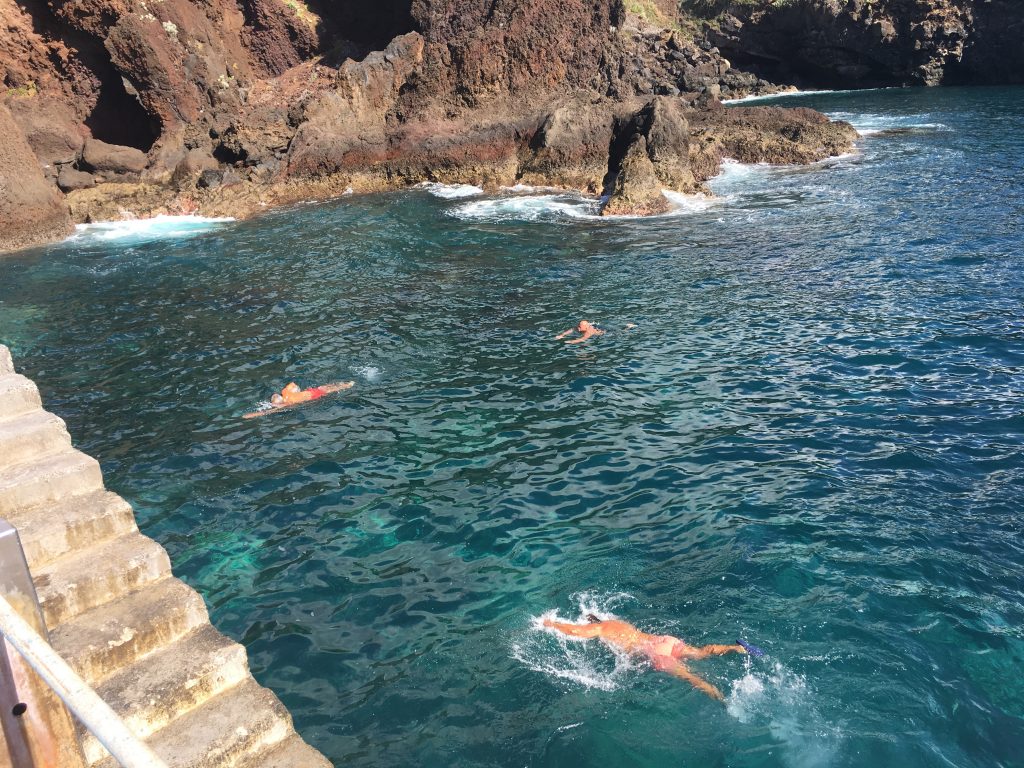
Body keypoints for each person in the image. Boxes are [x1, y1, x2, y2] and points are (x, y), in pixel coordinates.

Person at [542, 614, 752, 701]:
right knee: (701, 652)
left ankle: (721, 698)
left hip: (655, 653)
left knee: (692, 678)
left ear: (593, 623)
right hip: (665, 641)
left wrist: (551, 624)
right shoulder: (617, 623)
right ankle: (736, 648)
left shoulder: (599, 629)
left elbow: (575, 632)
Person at [244, 381, 354, 418]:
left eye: (275, 396)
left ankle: (348, 384)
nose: (275, 395)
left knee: (327, 388)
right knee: (328, 388)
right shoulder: (286, 402)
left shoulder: (285, 397)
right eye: (275, 397)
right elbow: (267, 411)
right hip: (313, 394)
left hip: (311, 393)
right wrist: (252, 415)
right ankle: (348, 384)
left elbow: (267, 411)